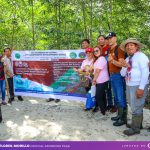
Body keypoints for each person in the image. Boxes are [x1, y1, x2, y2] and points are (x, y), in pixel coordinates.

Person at [120, 38, 149, 136]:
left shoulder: (141, 56)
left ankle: (135, 128)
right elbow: (123, 74)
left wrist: (141, 88)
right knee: (133, 105)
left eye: (131, 45)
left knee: (137, 106)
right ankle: (137, 124)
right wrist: (124, 66)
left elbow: (146, 72)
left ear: (136, 47)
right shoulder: (128, 59)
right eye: (127, 46)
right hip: (129, 84)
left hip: (138, 85)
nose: (129, 47)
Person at [107, 32, 127, 126]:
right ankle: (119, 115)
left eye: (111, 38)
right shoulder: (109, 49)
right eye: (108, 38)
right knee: (116, 97)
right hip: (112, 76)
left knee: (120, 97)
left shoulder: (119, 49)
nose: (109, 40)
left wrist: (113, 61)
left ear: (115, 38)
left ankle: (123, 119)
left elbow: (122, 64)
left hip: (118, 76)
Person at [97, 35, 114, 112]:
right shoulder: (97, 49)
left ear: (105, 40)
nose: (100, 40)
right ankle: (105, 104)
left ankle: (111, 105)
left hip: (109, 71)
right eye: (99, 39)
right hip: (100, 73)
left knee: (109, 89)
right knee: (103, 90)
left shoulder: (109, 48)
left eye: (102, 39)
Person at [92, 46, 109, 115]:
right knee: (102, 96)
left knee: (98, 96)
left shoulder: (101, 58)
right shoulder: (97, 59)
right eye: (94, 51)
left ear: (100, 51)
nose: (95, 52)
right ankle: (104, 110)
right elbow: (93, 69)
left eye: (97, 50)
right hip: (100, 80)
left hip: (102, 80)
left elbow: (98, 71)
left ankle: (103, 112)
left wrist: (94, 80)